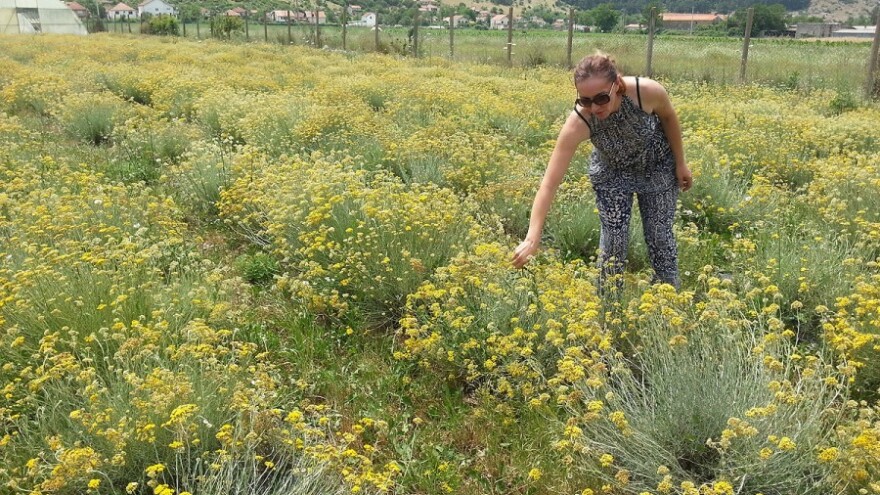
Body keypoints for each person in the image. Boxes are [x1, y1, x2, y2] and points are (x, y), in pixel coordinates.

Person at [511, 52, 692, 291]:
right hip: (612, 175)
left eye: (601, 98)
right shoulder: (579, 122)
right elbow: (549, 183)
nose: (594, 107)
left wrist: (681, 163)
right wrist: (532, 238)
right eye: (585, 100)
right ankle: (608, 308)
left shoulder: (645, 92)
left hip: (657, 166)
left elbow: (669, 118)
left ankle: (668, 298)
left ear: (617, 84)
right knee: (613, 242)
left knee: (660, 237)